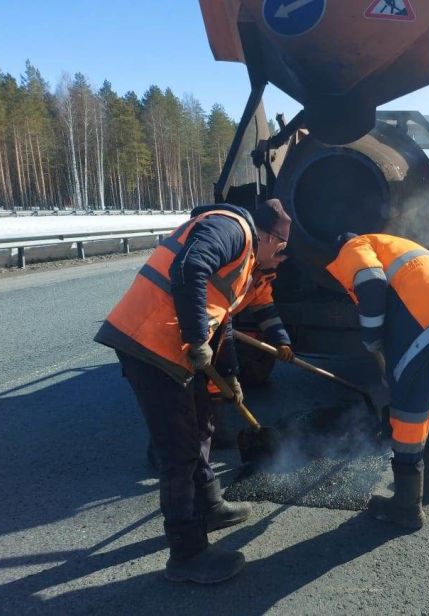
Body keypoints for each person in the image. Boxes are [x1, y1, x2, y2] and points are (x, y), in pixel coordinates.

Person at [94, 199, 294, 584]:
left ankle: (210, 504)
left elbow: (222, 321)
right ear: (269, 236)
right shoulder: (231, 228)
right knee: (179, 451)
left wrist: (229, 374)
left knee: (203, 424)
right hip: (150, 343)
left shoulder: (247, 260)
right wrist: (193, 335)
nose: (280, 255)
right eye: (281, 247)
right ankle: (186, 554)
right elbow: (190, 268)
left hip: (173, 346)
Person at [326, 233, 429, 530]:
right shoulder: (391, 244)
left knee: (409, 413)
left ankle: (405, 507)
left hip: (427, 325)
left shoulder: (353, 247)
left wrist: (372, 339)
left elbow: (372, 284)